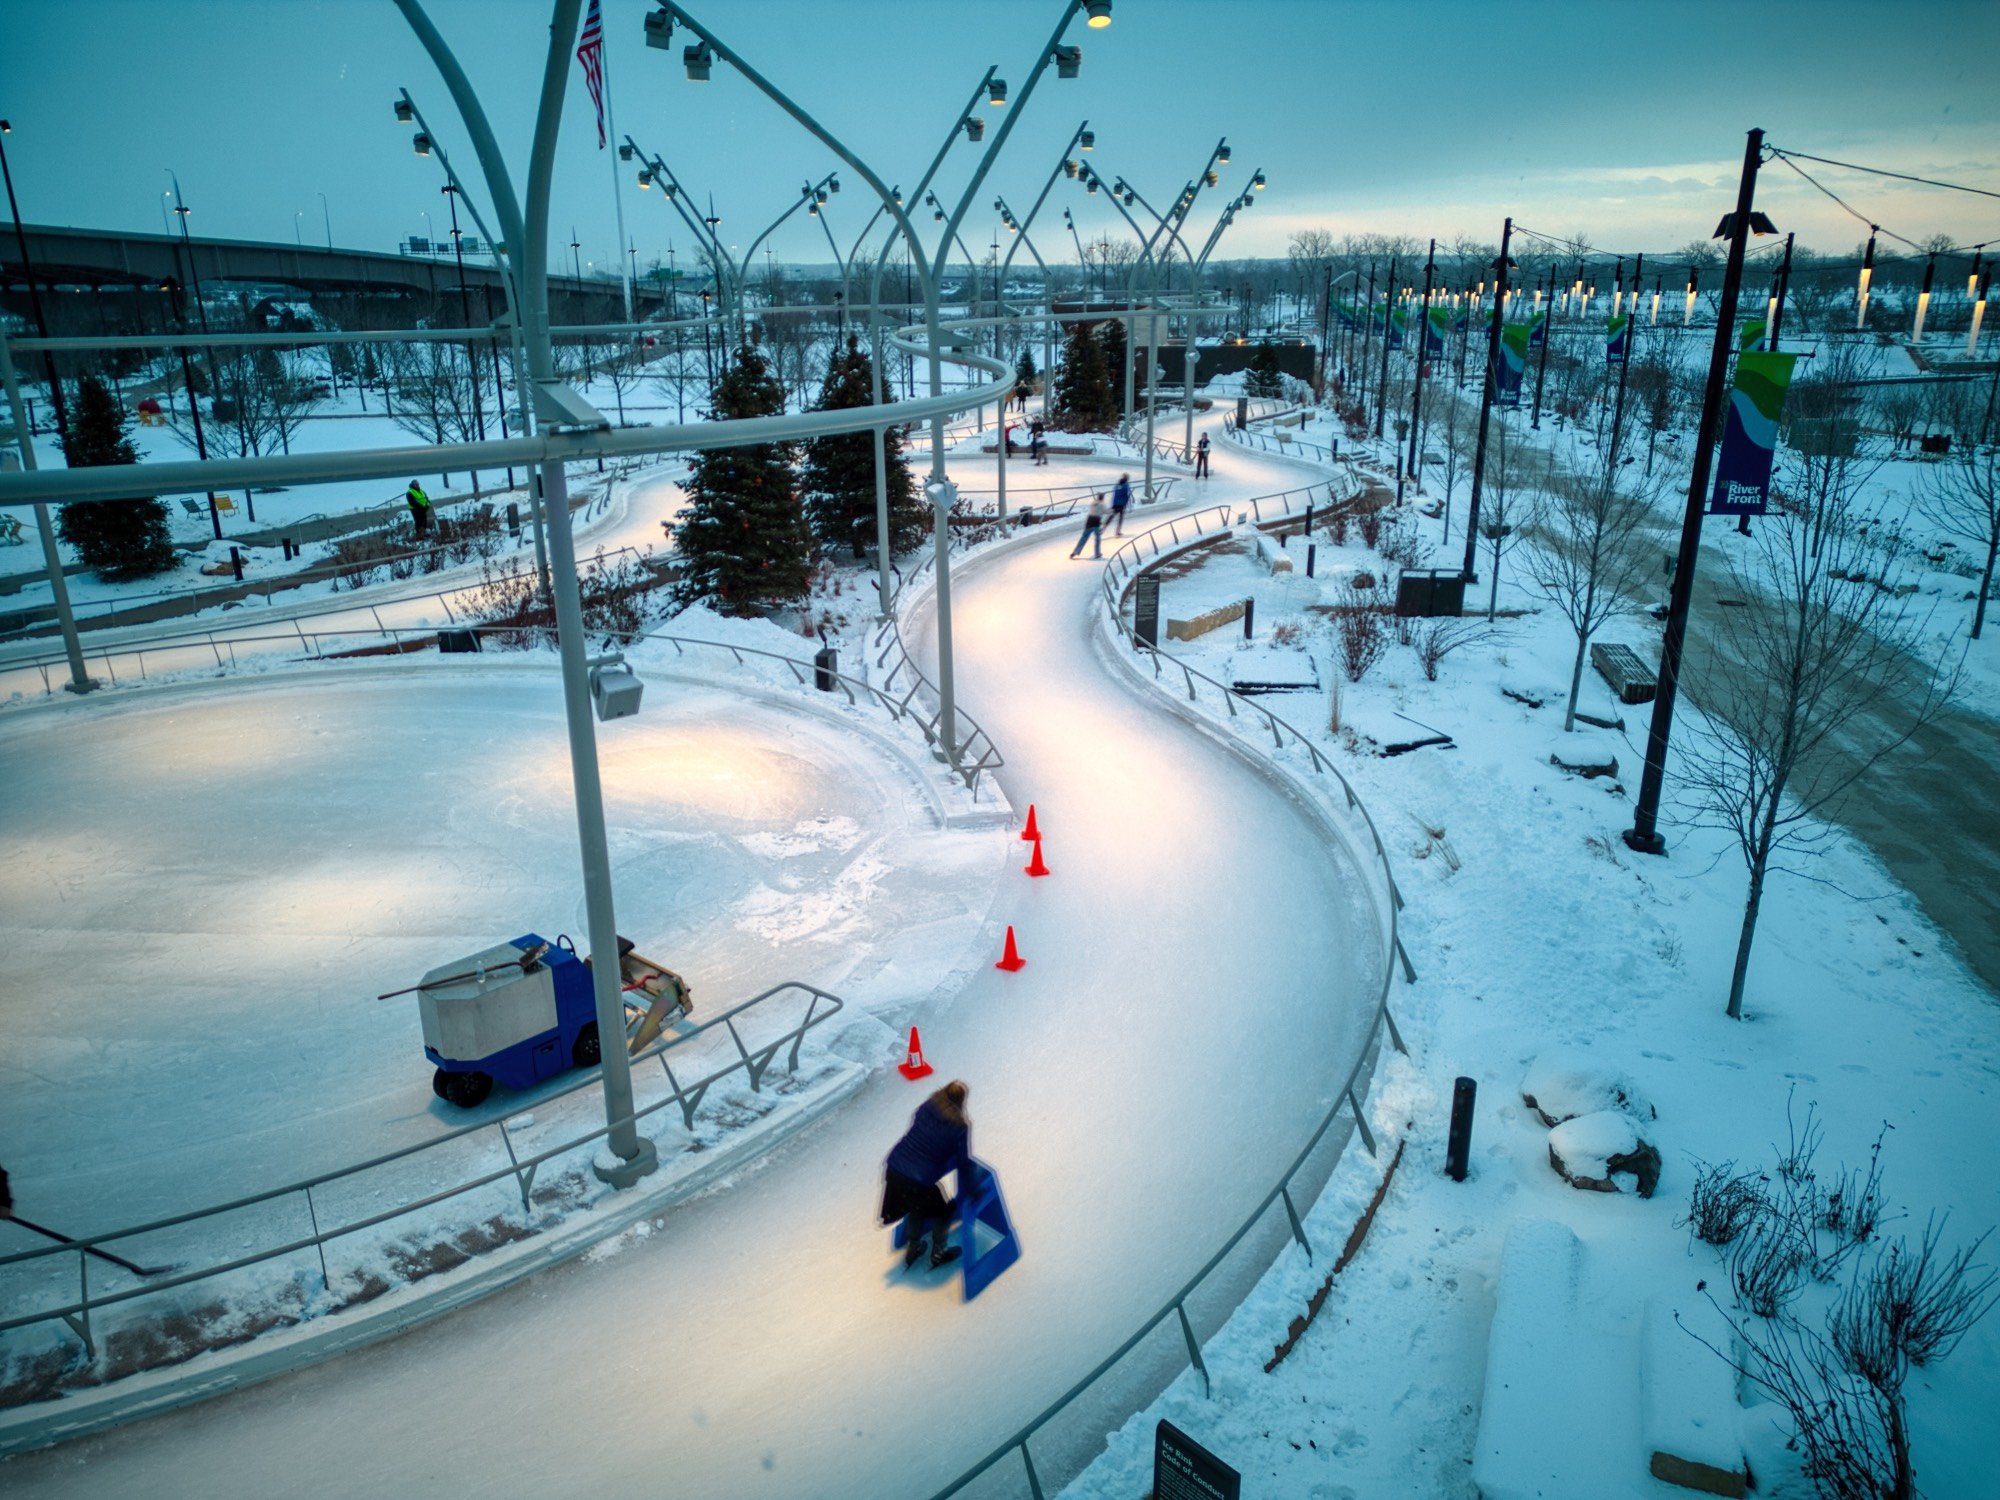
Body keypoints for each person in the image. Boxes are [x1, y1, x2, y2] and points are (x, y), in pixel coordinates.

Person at [882, 1081, 972, 1270]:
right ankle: (938, 1253)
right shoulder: (959, 1127)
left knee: (917, 1205)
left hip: (895, 1168)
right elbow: (963, 1163)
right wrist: (974, 1190)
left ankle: (913, 1247)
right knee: (943, 1210)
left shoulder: (927, 1106)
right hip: (918, 1179)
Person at [1071, 492, 1107, 559]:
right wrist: (1114, 510)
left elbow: (1095, 512)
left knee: (1084, 537)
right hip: (1096, 522)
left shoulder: (1093, 503)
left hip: (1089, 521)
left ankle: (1075, 552)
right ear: (1102, 498)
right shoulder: (1102, 504)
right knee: (1098, 538)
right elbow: (1105, 512)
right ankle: (1097, 553)